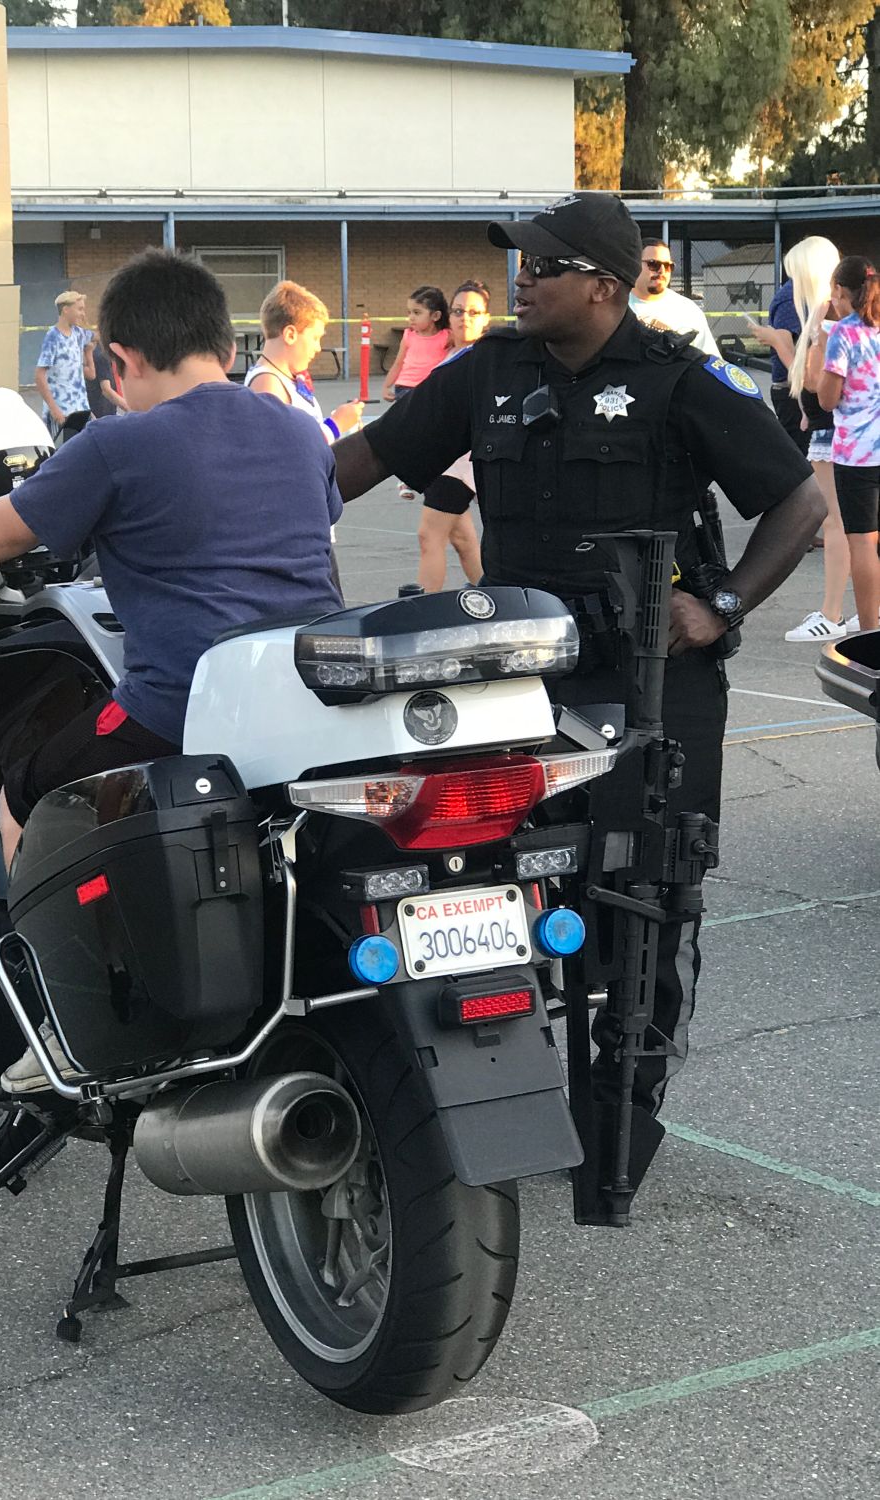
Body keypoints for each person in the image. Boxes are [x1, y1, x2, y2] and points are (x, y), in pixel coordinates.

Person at [332, 192, 824, 1198]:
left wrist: (721, 605)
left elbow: (802, 500)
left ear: (602, 284)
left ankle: (622, 1108)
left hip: (652, 686)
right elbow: (363, 461)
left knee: (645, 900)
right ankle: (498, 1085)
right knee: (494, 881)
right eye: (523, 262)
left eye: (544, 266)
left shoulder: (676, 383)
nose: (523, 278)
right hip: (517, 691)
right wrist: (241, 487)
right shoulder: (491, 372)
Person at [0, 249, 344, 1089]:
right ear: (227, 349)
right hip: (304, 700)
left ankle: (44, 1021)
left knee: (27, 786)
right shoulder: (297, 428)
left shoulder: (120, 444)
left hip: (182, 705)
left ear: (116, 360)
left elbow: (0, 530)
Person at [244, 280, 364, 596]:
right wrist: (336, 425)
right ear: (290, 334)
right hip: (293, 532)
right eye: (314, 337)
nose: (317, 347)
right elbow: (285, 455)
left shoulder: (289, 380)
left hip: (311, 523)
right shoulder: (267, 385)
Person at [783, 257, 855, 642]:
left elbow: (817, 385)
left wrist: (813, 340)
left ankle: (832, 612)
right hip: (859, 436)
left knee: (836, 524)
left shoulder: (834, 323)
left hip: (837, 435)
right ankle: (866, 608)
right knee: (862, 527)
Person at [818, 256, 880, 632]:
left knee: (863, 542)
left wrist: (823, 344)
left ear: (840, 291)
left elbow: (827, 398)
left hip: (859, 454)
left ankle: (871, 630)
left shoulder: (844, 332)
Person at [416, 280, 489, 591]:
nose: (465, 318)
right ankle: (498, 598)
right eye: (458, 311)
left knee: (429, 535)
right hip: (442, 459)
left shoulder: (485, 357)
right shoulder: (451, 355)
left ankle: (420, 612)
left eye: (474, 312)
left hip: (464, 462)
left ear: (486, 318)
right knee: (462, 539)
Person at [751, 238, 840, 460]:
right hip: (805, 399)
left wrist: (776, 341)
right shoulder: (797, 299)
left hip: (808, 398)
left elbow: (800, 370)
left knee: (806, 475)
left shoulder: (813, 304)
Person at [382, 285, 451, 498]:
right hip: (406, 389)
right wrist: (387, 384)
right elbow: (399, 361)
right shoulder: (409, 336)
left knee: (433, 434)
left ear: (436, 315)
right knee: (408, 434)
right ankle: (405, 480)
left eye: (417, 312)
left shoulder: (446, 336)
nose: (411, 318)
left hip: (430, 390)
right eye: (409, 312)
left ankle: (439, 474)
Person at [629, 239, 720, 357]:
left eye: (668, 266)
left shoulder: (688, 310)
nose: (662, 271)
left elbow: (709, 360)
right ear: (634, 264)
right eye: (653, 264)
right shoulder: (614, 305)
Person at [34, 290, 96, 440]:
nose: (82, 313)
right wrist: (54, 409)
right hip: (62, 412)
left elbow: (99, 336)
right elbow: (39, 375)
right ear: (66, 309)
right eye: (79, 309)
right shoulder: (53, 336)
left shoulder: (79, 333)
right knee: (63, 454)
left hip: (81, 410)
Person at [86, 337, 128, 418]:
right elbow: (106, 390)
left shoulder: (96, 352)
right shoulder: (102, 355)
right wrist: (130, 409)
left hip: (100, 412)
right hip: (102, 414)